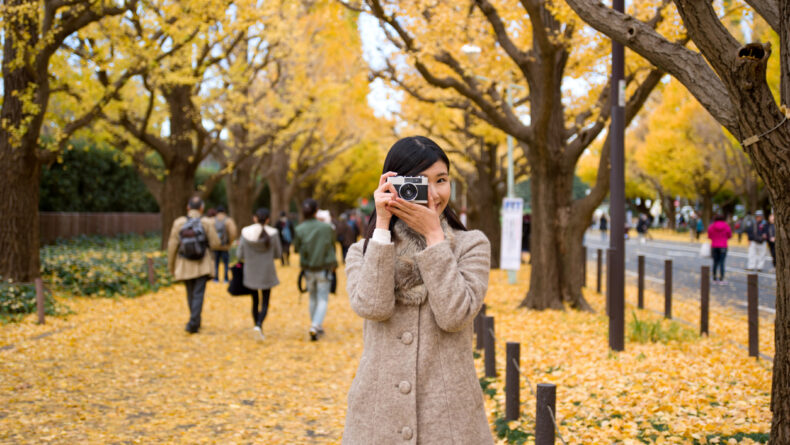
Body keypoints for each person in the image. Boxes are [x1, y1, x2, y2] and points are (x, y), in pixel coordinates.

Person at [342, 136, 493, 444]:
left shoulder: (472, 245)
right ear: (393, 185)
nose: (433, 193)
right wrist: (382, 222)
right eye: (419, 182)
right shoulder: (364, 251)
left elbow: (455, 315)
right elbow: (374, 307)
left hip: (449, 421)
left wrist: (435, 237)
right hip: (377, 417)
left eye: (441, 180)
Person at [167, 196, 221, 334]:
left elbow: (172, 245)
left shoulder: (179, 222)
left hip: (184, 264)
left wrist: (171, 266)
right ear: (202, 208)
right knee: (198, 293)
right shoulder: (207, 222)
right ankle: (194, 322)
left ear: (188, 207)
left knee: (190, 293)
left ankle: (194, 320)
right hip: (202, 264)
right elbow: (215, 243)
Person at [293, 198, 338, 341]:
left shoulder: (299, 229)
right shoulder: (326, 228)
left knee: (312, 297)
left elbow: (296, 249)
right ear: (316, 210)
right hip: (324, 268)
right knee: (322, 298)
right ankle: (315, 325)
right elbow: (332, 244)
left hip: (307, 268)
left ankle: (316, 325)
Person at [238, 208, 282, 341]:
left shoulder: (245, 232)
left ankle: (256, 325)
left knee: (254, 300)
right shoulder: (273, 233)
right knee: (265, 301)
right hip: (267, 271)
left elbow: (240, 254)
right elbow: (278, 254)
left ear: (254, 218)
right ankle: (259, 324)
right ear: (268, 219)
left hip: (250, 271)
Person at [212, 205, 237, 283]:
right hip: (225, 246)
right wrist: (230, 242)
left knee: (216, 263)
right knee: (226, 263)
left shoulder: (212, 220)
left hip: (215, 246)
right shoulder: (228, 220)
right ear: (224, 212)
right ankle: (226, 278)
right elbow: (233, 233)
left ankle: (216, 278)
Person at [707, 214, 732, 284]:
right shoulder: (726, 226)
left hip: (714, 246)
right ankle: (721, 278)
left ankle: (714, 278)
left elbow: (709, 236)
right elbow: (729, 235)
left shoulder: (712, 226)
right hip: (723, 246)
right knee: (722, 262)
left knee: (715, 262)